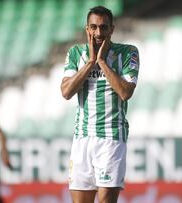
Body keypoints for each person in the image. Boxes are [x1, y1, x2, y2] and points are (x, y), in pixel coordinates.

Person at [60, 6, 139, 203]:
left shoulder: (128, 52)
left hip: (111, 138)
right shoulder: (76, 53)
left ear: (112, 29)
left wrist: (102, 62)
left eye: (103, 28)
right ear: (87, 29)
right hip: (82, 138)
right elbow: (66, 91)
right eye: (93, 27)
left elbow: (125, 92)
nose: (98, 33)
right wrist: (90, 62)